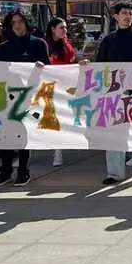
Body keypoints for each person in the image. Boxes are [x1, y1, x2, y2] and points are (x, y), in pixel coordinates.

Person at [95, 0, 132, 185]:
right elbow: (99, 66)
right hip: (113, 94)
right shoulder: (108, 40)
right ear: (116, 17)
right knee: (114, 133)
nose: (127, 16)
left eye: (130, 13)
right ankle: (114, 173)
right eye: (124, 13)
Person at [0, 10, 50, 188]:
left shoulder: (39, 44)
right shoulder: (4, 47)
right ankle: (5, 171)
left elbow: (50, 70)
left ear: (27, 23)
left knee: (23, 135)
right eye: (14, 22)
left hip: (29, 97)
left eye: (21, 21)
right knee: (7, 135)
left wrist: (42, 66)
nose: (17, 25)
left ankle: (23, 170)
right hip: (7, 98)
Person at [45, 17, 77, 168]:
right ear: (53, 29)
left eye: (65, 27)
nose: (65, 30)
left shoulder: (67, 45)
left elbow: (71, 63)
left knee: (58, 120)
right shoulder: (44, 44)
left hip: (63, 88)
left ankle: (58, 152)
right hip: (46, 87)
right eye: (61, 27)